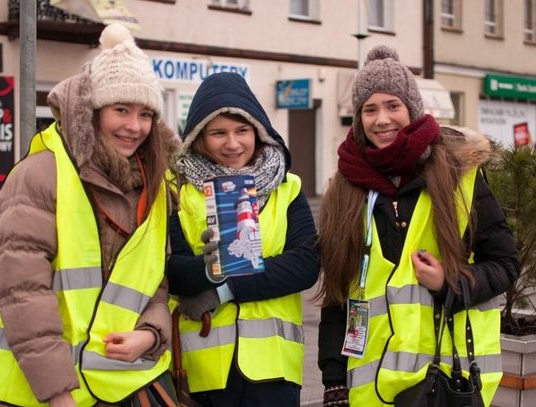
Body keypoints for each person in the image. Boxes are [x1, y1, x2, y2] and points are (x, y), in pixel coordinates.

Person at [317, 45, 520, 407]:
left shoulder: (459, 176)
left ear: (411, 108)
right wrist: (334, 381)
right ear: (359, 117)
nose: (382, 119)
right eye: (370, 109)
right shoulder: (344, 190)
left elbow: (505, 264)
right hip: (372, 389)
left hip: (448, 381)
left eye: (392, 105)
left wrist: (450, 284)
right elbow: (336, 297)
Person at [0, 23, 179, 406]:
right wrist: (58, 395)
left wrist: (150, 334)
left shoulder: (154, 185)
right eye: (121, 110)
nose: (134, 127)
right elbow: (22, 294)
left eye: (146, 114)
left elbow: (154, 284)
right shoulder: (40, 174)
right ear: (92, 111)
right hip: (39, 394)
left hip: (122, 386)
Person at [167, 72, 320, 407]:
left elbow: (306, 265)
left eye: (242, 131)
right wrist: (205, 269)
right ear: (198, 138)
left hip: (274, 372)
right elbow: (170, 269)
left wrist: (224, 287)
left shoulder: (287, 188)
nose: (232, 143)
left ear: (259, 132)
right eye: (218, 133)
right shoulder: (177, 191)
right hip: (202, 371)